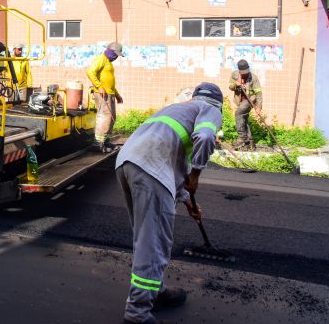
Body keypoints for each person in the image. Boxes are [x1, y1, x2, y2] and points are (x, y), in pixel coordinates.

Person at [115, 82, 223, 324]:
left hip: (128, 163)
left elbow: (173, 164)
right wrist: (196, 175)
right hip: (151, 167)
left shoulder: (177, 109)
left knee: (146, 237)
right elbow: (205, 137)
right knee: (153, 242)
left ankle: (156, 292)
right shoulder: (211, 109)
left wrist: (188, 202)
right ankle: (137, 312)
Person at [86, 42, 123, 151]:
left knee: (111, 118)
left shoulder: (108, 62)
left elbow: (110, 83)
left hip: (109, 93)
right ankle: (98, 144)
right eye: (115, 54)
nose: (116, 57)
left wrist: (117, 95)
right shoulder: (101, 59)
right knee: (104, 117)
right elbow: (90, 72)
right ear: (110, 51)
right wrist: (99, 86)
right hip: (102, 93)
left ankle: (106, 141)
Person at [228, 59, 262, 149]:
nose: (245, 73)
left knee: (238, 113)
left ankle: (242, 137)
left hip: (250, 100)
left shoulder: (253, 77)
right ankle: (250, 142)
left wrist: (258, 107)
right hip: (239, 100)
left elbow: (258, 93)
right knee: (244, 119)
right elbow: (230, 87)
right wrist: (236, 84)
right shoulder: (234, 75)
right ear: (239, 70)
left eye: (246, 71)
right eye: (243, 72)